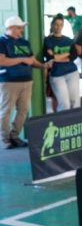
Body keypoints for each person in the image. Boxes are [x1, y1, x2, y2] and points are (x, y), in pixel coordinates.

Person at [1, 16, 50, 149]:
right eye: (19, 27)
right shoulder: (2, 41)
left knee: (23, 110)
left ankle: (15, 136)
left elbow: (32, 60)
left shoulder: (25, 42)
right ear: (10, 28)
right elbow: (2, 61)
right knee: (6, 111)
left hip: (27, 81)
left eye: (22, 27)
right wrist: (21, 59)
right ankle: (5, 139)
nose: (22, 29)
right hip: (9, 81)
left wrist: (43, 66)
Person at [44, 15, 80, 111]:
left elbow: (74, 55)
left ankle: (75, 122)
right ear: (52, 25)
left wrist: (57, 57)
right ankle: (63, 124)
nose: (58, 27)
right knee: (64, 104)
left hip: (72, 72)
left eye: (61, 25)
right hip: (57, 74)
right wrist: (67, 54)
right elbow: (50, 57)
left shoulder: (68, 40)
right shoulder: (48, 40)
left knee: (75, 102)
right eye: (56, 24)